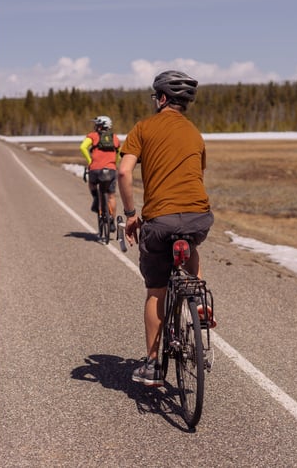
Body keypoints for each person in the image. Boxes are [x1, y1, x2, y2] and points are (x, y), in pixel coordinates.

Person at [117, 70, 214, 386]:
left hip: (160, 220)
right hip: (199, 216)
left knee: (156, 290)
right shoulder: (196, 133)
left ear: (160, 99)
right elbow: (196, 173)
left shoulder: (143, 128)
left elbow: (123, 173)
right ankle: (199, 301)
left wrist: (131, 215)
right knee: (191, 248)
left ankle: (153, 366)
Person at [80, 116, 120, 219]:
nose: (95, 126)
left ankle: (96, 198)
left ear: (100, 126)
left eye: (97, 124)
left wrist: (90, 161)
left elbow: (83, 147)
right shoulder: (115, 137)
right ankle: (111, 221)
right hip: (111, 169)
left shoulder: (92, 136)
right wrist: (114, 163)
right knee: (111, 196)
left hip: (96, 169)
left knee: (92, 184)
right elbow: (118, 153)